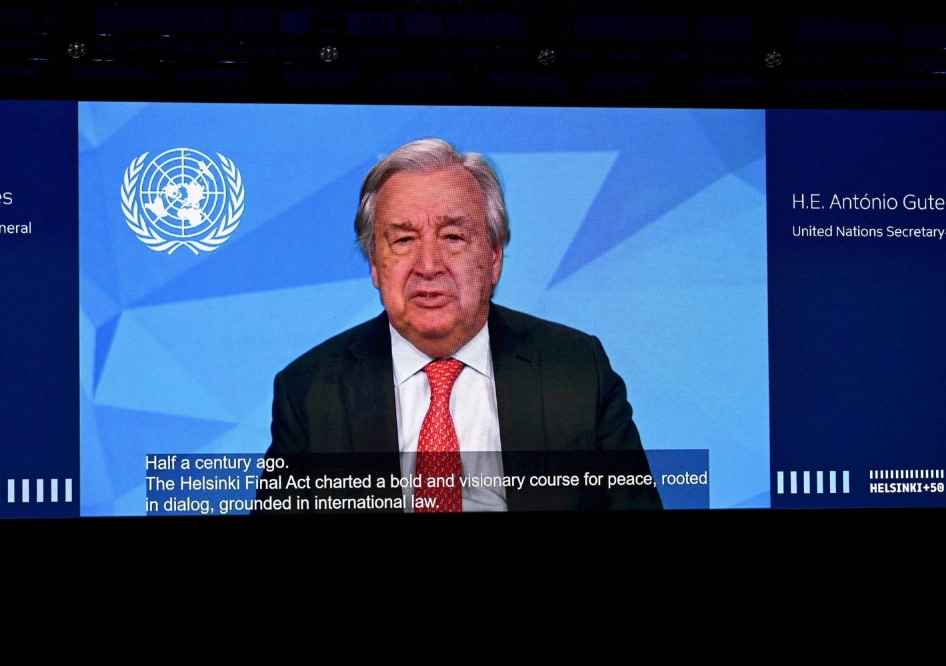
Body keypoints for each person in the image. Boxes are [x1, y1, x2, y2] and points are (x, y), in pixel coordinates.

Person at [261, 138, 661, 512]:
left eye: (453, 237)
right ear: (375, 266)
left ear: (493, 259)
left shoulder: (576, 371)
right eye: (403, 241)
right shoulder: (308, 391)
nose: (428, 266)